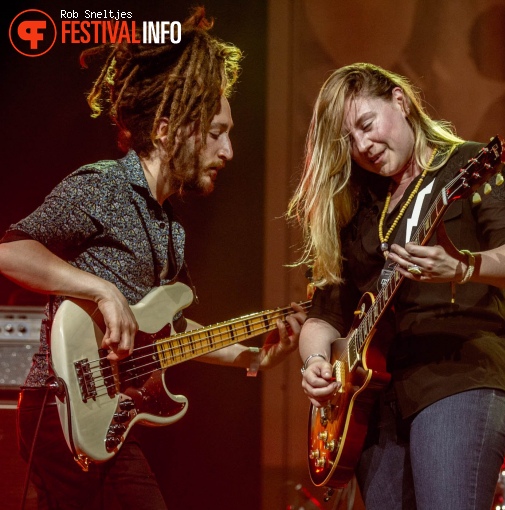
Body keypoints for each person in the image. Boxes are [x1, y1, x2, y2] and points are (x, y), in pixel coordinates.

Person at [0, 8, 306, 509]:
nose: (228, 150)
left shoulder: (169, 229)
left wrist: (250, 357)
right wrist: (101, 289)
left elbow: (165, 333)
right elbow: (11, 251)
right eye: (215, 132)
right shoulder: (104, 185)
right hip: (58, 407)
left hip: (108, 415)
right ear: (165, 130)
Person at [288, 62, 505, 509]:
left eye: (367, 125)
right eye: (349, 140)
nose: (363, 146)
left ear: (400, 102)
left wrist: (463, 266)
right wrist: (314, 362)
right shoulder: (359, 207)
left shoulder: (468, 165)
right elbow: (324, 315)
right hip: (375, 405)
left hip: (459, 376)